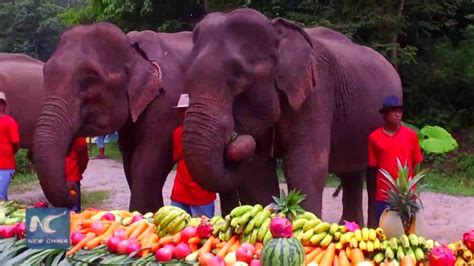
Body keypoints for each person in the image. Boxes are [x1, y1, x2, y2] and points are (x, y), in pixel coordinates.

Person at [367, 95, 423, 225]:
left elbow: (416, 162)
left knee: (408, 232)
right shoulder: (374, 138)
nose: (397, 114)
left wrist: (413, 189)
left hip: (406, 195)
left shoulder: (411, 136)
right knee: (385, 231)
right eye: (393, 111)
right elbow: (373, 167)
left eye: (400, 111)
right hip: (384, 194)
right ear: (385, 114)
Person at [170, 94, 216, 217]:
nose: (180, 113)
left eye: (182, 110)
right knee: (202, 230)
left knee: (177, 230)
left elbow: (176, 157)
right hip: (202, 190)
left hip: (182, 187)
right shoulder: (209, 131)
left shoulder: (178, 132)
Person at [0, 92, 20, 201]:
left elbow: (16, 143)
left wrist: (8, 154)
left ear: (4, 105)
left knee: (0, 197)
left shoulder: (10, 122)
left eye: (0, 103)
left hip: (5, 167)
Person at [65, 137, 89, 212]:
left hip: (56, 179)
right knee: (74, 211)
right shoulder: (78, 136)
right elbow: (84, 159)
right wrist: (78, 172)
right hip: (73, 178)